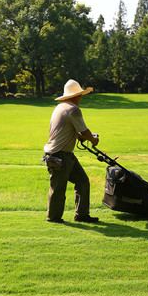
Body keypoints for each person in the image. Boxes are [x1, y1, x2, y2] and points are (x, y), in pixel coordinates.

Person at [42, 79, 100, 223]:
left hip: (64, 154)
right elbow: (85, 131)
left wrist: (79, 136)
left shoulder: (60, 107)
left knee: (82, 181)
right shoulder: (73, 110)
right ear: (74, 96)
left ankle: (82, 215)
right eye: (80, 95)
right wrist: (93, 140)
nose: (81, 98)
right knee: (59, 188)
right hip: (60, 155)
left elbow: (68, 129)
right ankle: (54, 218)